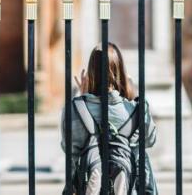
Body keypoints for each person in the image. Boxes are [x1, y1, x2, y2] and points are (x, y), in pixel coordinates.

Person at [61, 43, 158, 195]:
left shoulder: (74, 110)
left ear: (91, 72)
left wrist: (81, 97)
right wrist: (132, 93)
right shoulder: (134, 110)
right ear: (121, 71)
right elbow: (150, 139)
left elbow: (69, 148)